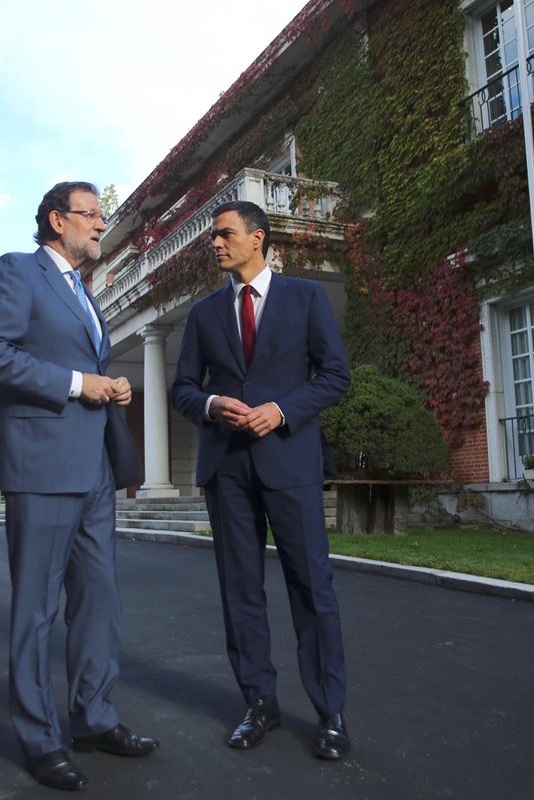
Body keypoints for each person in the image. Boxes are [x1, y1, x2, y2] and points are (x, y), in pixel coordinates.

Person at [0, 181, 157, 791]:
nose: (102, 225)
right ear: (57, 219)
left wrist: (110, 385)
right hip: (40, 465)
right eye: (92, 215)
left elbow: (86, 364)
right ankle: (40, 739)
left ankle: (95, 719)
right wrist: (79, 383)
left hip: (94, 469)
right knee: (37, 610)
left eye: (103, 215)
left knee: (99, 601)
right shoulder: (18, 271)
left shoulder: (85, 294)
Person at [171, 200, 352, 760]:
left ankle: (330, 714)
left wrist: (282, 410)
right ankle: (259, 704)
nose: (216, 245)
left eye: (224, 234)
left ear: (258, 238)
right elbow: (181, 389)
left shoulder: (305, 298)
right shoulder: (203, 314)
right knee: (240, 591)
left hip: (289, 462)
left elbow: (336, 376)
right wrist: (209, 403)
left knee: (311, 588)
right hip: (227, 469)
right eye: (213, 238)